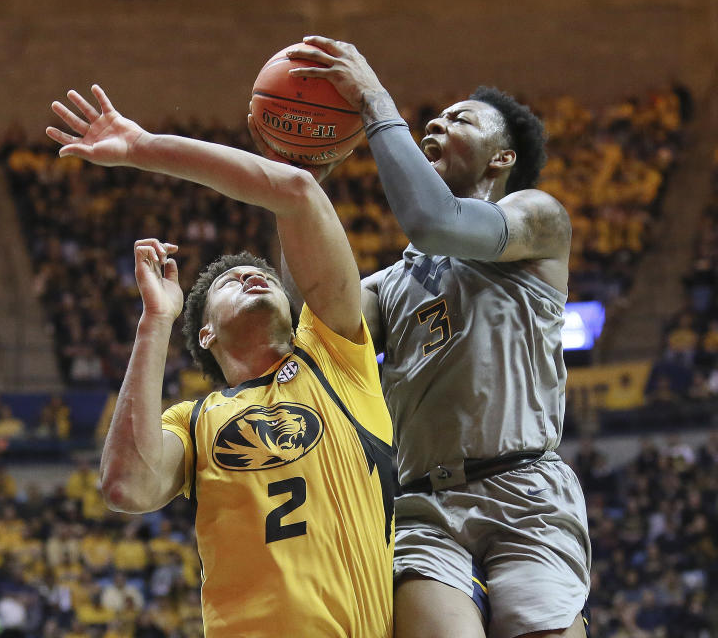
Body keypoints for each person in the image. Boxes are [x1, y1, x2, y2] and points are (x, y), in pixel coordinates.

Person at [47, 85, 394, 637]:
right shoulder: (195, 420)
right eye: (232, 280)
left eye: (263, 275)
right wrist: (154, 322)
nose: (253, 275)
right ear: (205, 332)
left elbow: (299, 192)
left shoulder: (334, 356)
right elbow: (126, 487)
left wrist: (142, 145)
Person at [276, 36, 591, 638]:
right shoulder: (393, 284)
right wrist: (297, 186)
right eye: (436, 118)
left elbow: (435, 221)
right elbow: (313, 316)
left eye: (461, 118)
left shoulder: (538, 219)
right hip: (423, 506)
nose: (437, 123)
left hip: (524, 489)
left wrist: (372, 99)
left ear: (501, 160)